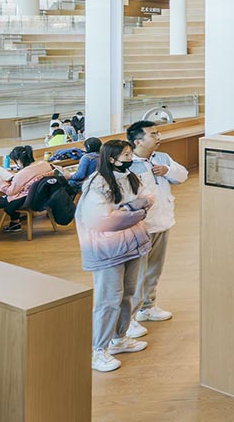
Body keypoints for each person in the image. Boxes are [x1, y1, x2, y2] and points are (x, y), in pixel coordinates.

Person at [76, 140, 152, 373]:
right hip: (107, 250)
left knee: (128, 294)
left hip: (132, 244)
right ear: (111, 159)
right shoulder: (96, 183)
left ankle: (119, 338)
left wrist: (128, 211)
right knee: (108, 299)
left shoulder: (130, 177)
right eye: (126, 155)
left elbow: (148, 198)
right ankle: (98, 350)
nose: (130, 158)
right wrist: (133, 210)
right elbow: (102, 221)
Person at [127, 120, 189, 325]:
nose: (158, 137)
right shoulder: (127, 164)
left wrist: (167, 170)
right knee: (136, 273)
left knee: (154, 268)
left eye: (158, 133)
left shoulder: (162, 158)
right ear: (138, 141)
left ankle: (148, 306)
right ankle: (130, 318)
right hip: (140, 227)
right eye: (153, 134)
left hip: (162, 222)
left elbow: (182, 175)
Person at [0, 145, 54, 245]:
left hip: (23, 199)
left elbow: (11, 192)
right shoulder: (44, 164)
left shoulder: (23, 173)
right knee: (15, 196)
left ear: (18, 160)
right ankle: (14, 223)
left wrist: (0, 180)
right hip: (38, 198)